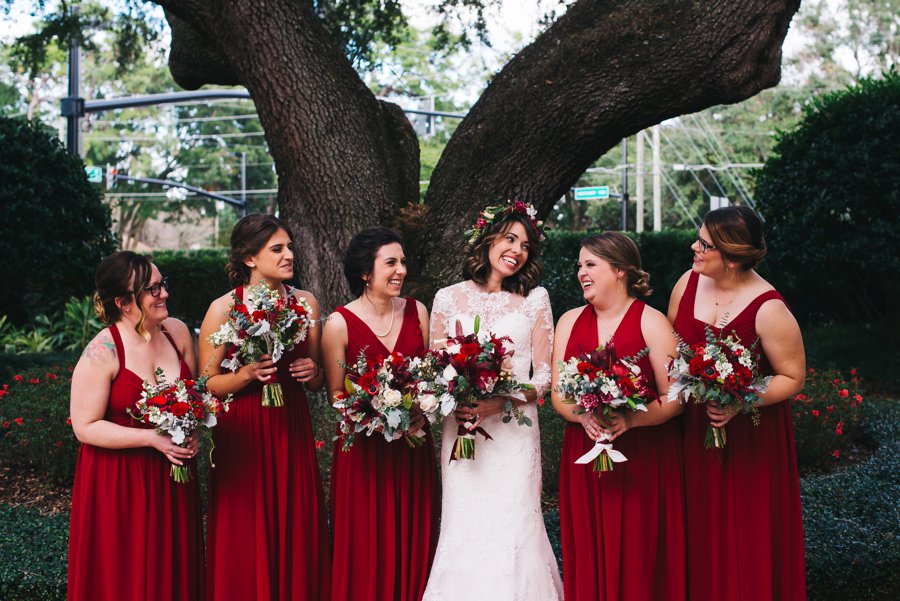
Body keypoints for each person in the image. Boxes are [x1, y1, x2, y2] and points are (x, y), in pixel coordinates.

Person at [422, 201, 563, 601]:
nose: (517, 250)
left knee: (513, 524)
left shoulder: (536, 299)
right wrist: (455, 398)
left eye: (525, 245)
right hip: (462, 428)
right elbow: (436, 368)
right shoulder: (447, 298)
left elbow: (545, 378)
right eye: (510, 238)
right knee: (464, 523)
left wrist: (501, 402)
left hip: (512, 435)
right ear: (487, 238)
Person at [668, 205, 806, 600]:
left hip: (749, 440)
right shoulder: (686, 283)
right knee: (698, 527)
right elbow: (673, 350)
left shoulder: (769, 308)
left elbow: (793, 376)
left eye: (704, 244)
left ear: (730, 258)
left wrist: (740, 401)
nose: (694, 247)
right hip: (693, 431)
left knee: (745, 535)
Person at [199, 213, 330, 601]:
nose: (290, 255)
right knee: (245, 526)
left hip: (290, 424)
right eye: (278, 249)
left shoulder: (306, 303)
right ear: (249, 258)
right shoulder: (224, 308)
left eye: (290, 247)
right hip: (243, 431)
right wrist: (245, 374)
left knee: (296, 521)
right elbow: (206, 383)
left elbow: (320, 379)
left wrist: (314, 370)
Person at [551, 232, 686, 600]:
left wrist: (631, 420)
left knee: (641, 554)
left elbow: (675, 395)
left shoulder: (652, 322)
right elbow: (558, 395)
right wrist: (582, 417)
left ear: (621, 271)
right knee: (590, 548)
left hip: (643, 458)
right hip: (585, 454)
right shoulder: (568, 322)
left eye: (590, 264)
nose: (581, 272)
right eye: (579, 265)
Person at [68, 251, 202, 600]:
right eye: (153, 289)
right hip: (120, 483)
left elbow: (195, 398)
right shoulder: (102, 352)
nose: (164, 295)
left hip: (175, 478)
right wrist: (151, 439)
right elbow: (84, 426)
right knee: (125, 576)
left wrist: (194, 433)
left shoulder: (178, 333)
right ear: (124, 302)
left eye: (163, 285)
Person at [322, 227, 438, 601]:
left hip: (413, 446)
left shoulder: (417, 312)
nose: (401, 270)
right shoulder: (339, 323)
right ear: (365, 273)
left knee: (414, 533)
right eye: (391, 262)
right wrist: (372, 414)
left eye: (403, 261)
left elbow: (432, 377)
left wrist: (420, 408)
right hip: (365, 456)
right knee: (367, 541)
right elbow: (337, 396)